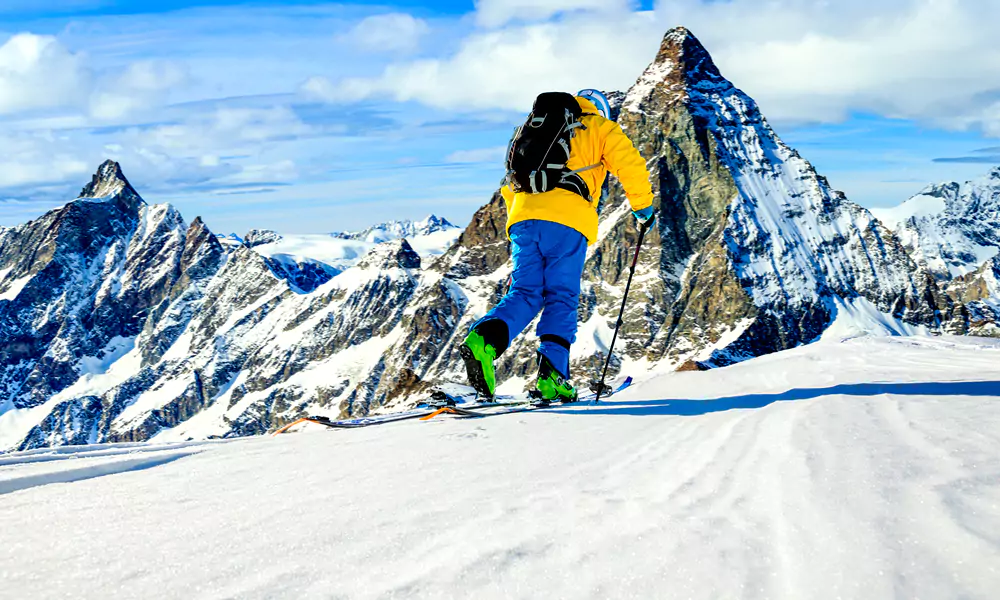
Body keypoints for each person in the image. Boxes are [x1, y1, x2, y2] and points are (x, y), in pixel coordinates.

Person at [460, 89, 655, 402]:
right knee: (561, 297)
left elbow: (513, 180)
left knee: (524, 293)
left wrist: (524, 219)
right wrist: (643, 208)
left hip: (522, 219)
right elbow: (630, 166)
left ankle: (483, 340)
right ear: (601, 110)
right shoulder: (600, 127)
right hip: (567, 223)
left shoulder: (534, 128)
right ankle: (553, 377)